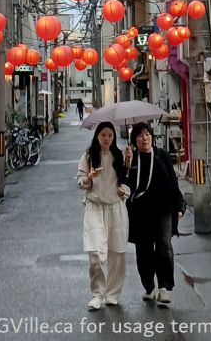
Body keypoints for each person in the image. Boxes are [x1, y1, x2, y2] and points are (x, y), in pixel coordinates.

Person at [125, 121, 185, 308]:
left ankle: (164, 288)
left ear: (152, 136)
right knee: (143, 250)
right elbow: (126, 185)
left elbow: (173, 181)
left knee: (164, 246)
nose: (145, 137)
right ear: (134, 140)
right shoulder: (131, 159)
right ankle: (149, 286)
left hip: (163, 209)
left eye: (147, 134)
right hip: (140, 211)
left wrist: (180, 205)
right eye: (140, 135)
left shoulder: (162, 156)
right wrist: (127, 166)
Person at [77, 121, 130, 311]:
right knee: (95, 253)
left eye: (110, 135)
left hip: (116, 207)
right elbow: (80, 182)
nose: (107, 138)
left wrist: (125, 188)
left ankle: (113, 293)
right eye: (103, 135)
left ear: (114, 138)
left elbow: (125, 183)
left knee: (117, 252)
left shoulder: (120, 155)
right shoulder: (88, 157)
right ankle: (97, 294)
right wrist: (89, 177)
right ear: (97, 136)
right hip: (94, 207)